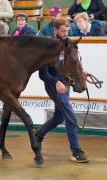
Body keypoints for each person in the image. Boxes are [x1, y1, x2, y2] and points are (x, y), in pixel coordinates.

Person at [36, 17, 90, 163]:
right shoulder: (47, 47)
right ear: (55, 31)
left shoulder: (69, 44)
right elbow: (43, 74)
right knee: (69, 115)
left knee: (59, 117)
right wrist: (56, 82)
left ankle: (38, 136)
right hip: (54, 87)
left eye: (67, 30)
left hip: (65, 85)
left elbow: (73, 63)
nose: (66, 33)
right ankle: (76, 151)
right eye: (63, 31)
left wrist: (81, 72)